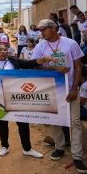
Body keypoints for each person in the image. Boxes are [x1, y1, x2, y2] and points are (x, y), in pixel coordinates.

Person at [32, 19, 87, 173]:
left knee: (75, 123)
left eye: (43, 29)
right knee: (54, 120)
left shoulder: (70, 44)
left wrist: (75, 88)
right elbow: (35, 66)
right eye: (39, 30)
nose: (41, 32)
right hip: (51, 90)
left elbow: (77, 67)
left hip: (70, 90)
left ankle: (77, 156)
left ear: (53, 28)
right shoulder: (40, 46)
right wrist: (55, 66)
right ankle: (59, 147)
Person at [0, 42, 53, 158]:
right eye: (0, 49)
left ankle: (27, 148)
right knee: (2, 123)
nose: (3, 51)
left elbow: (30, 63)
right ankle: (4, 146)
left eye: (5, 49)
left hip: (16, 96)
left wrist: (43, 59)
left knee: (23, 122)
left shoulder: (13, 61)